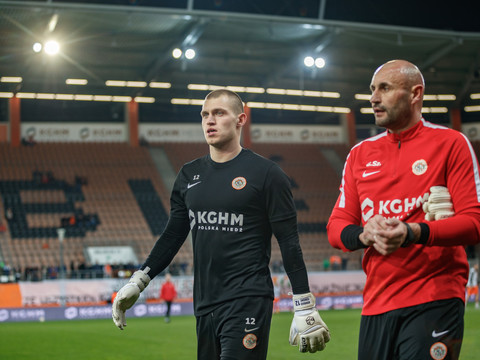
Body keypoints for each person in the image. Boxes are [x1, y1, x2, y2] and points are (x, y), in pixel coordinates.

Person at [112, 89, 330, 359]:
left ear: (240, 120)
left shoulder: (267, 174)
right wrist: (139, 280)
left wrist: (304, 303)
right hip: (204, 303)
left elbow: (288, 241)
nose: (209, 121)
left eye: (219, 113)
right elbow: (173, 235)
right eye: (204, 115)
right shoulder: (188, 174)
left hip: (248, 299)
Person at [327, 60, 480, 360]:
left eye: (384, 88)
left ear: (415, 94)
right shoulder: (359, 154)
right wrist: (364, 234)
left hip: (435, 295)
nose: (373, 98)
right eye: (372, 90)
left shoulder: (451, 144)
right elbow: (336, 227)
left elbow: (474, 223)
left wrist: (413, 232)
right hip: (376, 302)